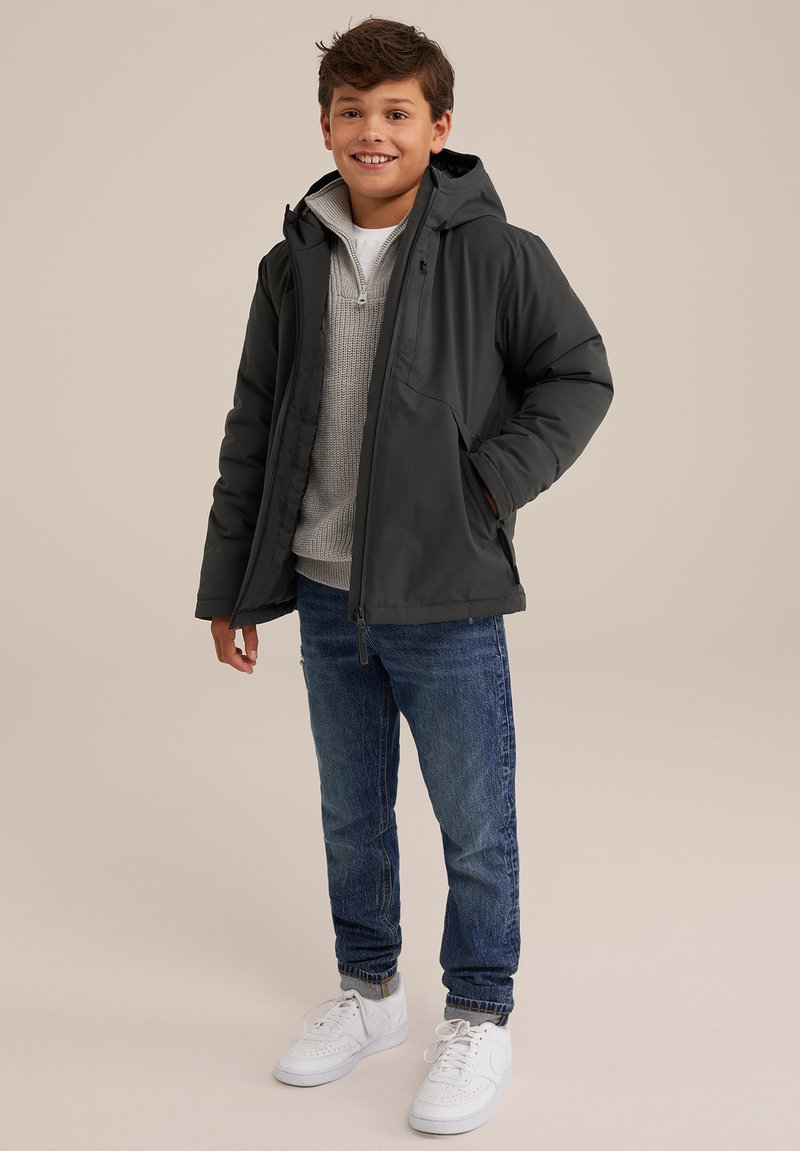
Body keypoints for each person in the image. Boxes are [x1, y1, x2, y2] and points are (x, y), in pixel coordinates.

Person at [194, 16, 613, 1136]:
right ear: (324, 125)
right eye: (351, 111)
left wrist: (489, 483)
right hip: (326, 592)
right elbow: (253, 425)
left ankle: (477, 1010)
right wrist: (231, 582)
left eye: (395, 112)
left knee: (474, 822)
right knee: (351, 812)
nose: (371, 131)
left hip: (446, 594)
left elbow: (577, 376)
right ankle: (369, 991)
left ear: (439, 125)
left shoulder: (498, 252)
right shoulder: (290, 264)